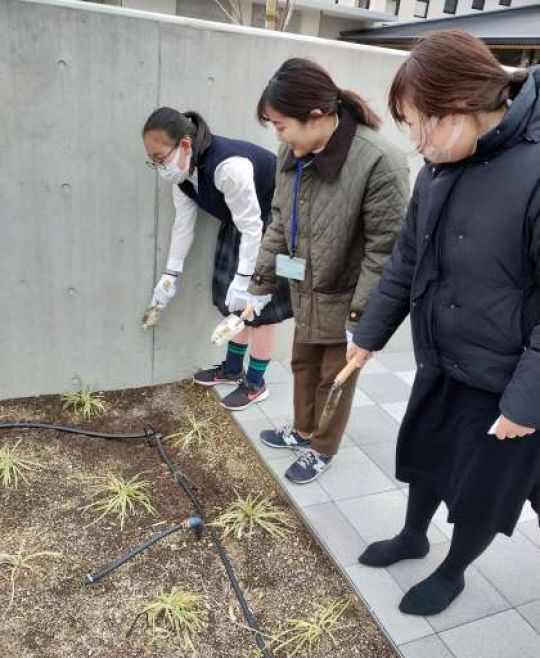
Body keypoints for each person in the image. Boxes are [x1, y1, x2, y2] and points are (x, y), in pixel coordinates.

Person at [348, 30, 540, 616]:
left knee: (481, 491)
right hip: (443, 357)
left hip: (504, 381)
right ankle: (413, 536)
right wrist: (368, 336)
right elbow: (408, 258)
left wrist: (526, 405)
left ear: (456, 112)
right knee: (427, 457)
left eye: (416, 124)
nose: (415, 141)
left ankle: (454, 570)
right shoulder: (439, 168)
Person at [247, 58, 409, 484]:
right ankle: (302, 431)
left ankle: (322, 447)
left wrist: (363, 320)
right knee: (303, 363)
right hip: (306, 286)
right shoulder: (293, 151)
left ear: (316, 117)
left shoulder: (379, 162)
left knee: (333, 377)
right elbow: (280, 219)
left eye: (281, 125)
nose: (278, 135)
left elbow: (384, 251)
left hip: (349, 294)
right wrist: (260, 282)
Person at [142, 107, 292, 410]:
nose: (160, 167)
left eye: (160, 159)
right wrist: (170, 275)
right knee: (234, 303)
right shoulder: (183, 175)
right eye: (153, 161)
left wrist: (246, 278)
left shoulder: (228, 166)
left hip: (275, 228)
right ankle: (233, 368)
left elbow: (254, 228)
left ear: (185, 145)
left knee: (261, 309)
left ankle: (255, 383)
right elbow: (183, 225)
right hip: (241, 227)